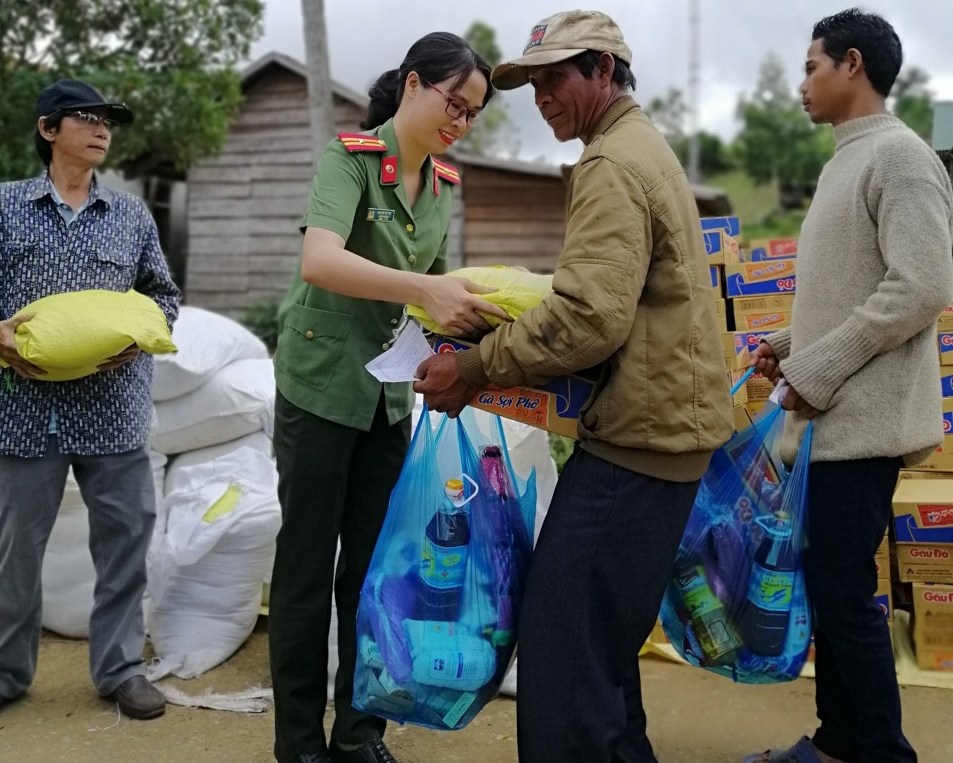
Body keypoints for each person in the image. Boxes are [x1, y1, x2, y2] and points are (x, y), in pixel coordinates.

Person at [414, 11, 734, 763]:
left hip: (638, 446)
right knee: (601, 649)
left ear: (601, 70)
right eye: (530, 84)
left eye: (555, 77)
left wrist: (473, 365)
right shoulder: (635, 147)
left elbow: (589, 318)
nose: (542, 96)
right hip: (660, 437)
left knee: (562, 654)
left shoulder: (611, 163)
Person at [268, 32, 509, 763]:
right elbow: (322, 257)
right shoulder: (348, 159)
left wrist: (469, 346)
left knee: (374, 573)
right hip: (318, 388)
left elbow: (434, 303)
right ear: (413, 85)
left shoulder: (440, 186)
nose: (459, 121)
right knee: (307, 570)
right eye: (453, 102)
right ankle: (300, 740)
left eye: (471, 114)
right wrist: (424, 286)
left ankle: (359, 729)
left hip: (386, 403)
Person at [746, 9, 953, 763]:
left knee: (841, 597)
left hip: (861, 424)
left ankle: (880, 752)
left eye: (810, 66)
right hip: (830, 421)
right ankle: (839, 744)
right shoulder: (845, 161)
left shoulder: (898, 158)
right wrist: (785, 346)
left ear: (852, 65)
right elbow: (847, 294)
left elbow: (921, 286)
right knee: (832, 595)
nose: (802, 83)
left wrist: (817, 369)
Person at [0, 79, 180, 719]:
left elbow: (163, 296)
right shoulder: (6, 207)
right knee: (14, 554)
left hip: (115, 414)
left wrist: (141, 337)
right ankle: (7, 672)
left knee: (125, 546)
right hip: (24, 413)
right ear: (50, 129)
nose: (103, 128)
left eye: (109, 120)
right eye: (88, 118)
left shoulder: (131, 215)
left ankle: (121, 669)